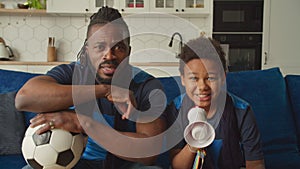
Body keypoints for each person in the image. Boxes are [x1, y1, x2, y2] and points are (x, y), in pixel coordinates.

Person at [15, 6, 167, 169]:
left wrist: (84, 124)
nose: (109, 55)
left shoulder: (146, 85)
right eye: (100, 47)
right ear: (87, 51)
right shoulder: (73, 73)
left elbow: (148, 153)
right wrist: (104, 90)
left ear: (128, 52)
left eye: (119, 47)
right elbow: (24, 98)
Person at [165, 37, 265, 169]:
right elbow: (177, 165)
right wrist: (193, 144)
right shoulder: (176, 109)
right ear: (183, 79)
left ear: (223, 77)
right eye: (194, 78)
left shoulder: (241, 111)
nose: (202, 86)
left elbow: (256, 164)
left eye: (210, 78)